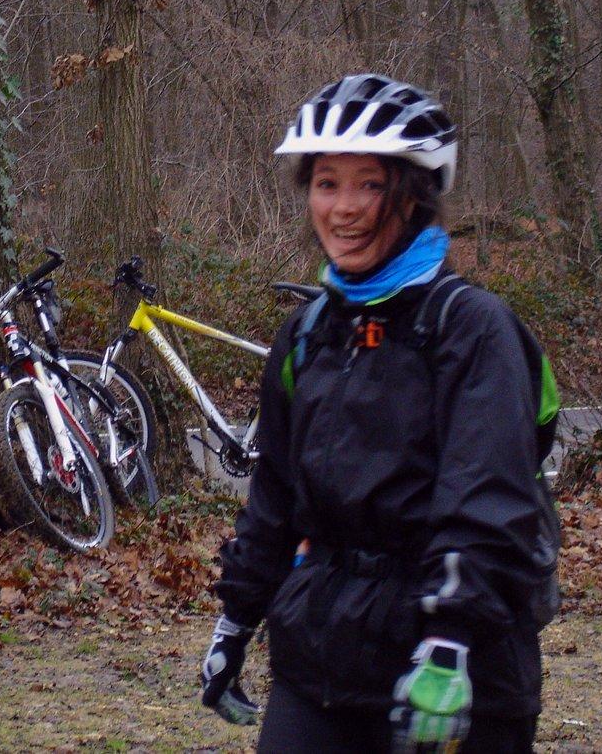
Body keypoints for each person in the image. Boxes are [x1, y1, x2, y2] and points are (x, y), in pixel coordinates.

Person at [199, 74, 558, 753]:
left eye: (370, 185)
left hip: (455, 663)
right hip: (321, 656)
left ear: (416, 195)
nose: (344, 208)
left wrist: (449, 642)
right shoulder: (308, 333)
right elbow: (276, 495)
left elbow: (489, 498)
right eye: (326, 183)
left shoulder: (472, 328)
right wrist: (236, 619)